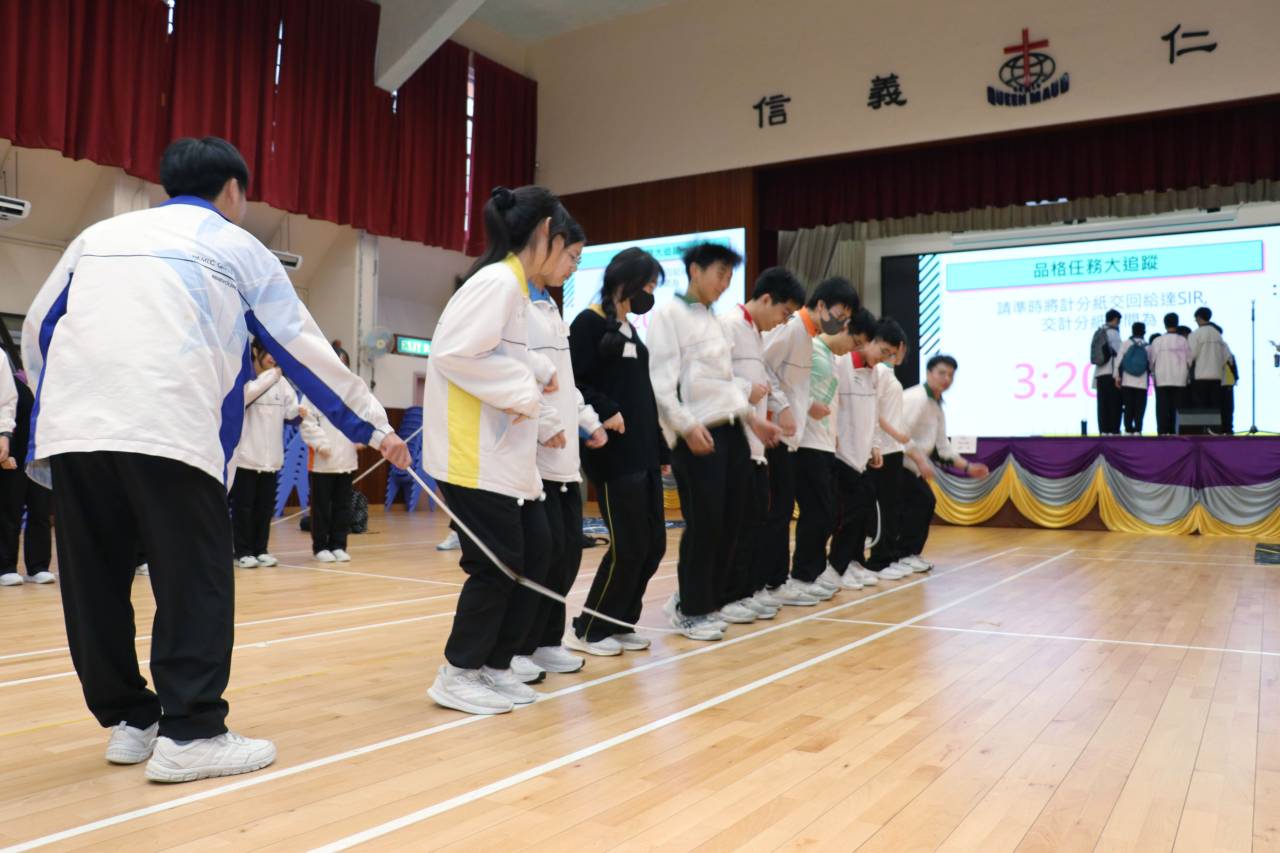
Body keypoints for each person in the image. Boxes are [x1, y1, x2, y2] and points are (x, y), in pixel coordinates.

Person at [21, 136, 408, 782]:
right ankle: (193, 731)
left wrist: (63, 402)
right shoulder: (237, 246)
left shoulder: (97, 236)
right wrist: (374, 425)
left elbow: (38, 330)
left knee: (93, 581)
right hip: (171, 424)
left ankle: (131, 719)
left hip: (76, 429)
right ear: (233, 190)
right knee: (192, 577)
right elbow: (301, 347)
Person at [423, 185, 569, 716]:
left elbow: (500, 351)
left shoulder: (512, 286)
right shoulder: (497, 282)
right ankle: (458, 672)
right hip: (473, 454)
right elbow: (455, 353)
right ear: (546, 232)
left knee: (532, 552)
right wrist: (527, 387)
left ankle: (494, 664)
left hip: (501, 453)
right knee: (496, 566)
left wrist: (537, 370)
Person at [648, 242, 782, 640]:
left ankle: (703, 600)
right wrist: (686, 427)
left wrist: (752, 420)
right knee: (705, 523)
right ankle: (691, 609)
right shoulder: (668, 315)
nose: (725, 284)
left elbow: (724, 383)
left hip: (731, 429)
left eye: (729, 276)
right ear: (695, 270)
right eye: (720, 274)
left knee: (731, 521)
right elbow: (661, 384)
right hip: (697, 433)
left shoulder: (711, 319)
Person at [510, 218, 608, 681]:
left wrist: (588, 420)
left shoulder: (551, 309)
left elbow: (563, 382)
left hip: (567, 460)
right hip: (536, 456)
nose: (573, 267)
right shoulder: (517, 305)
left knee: (567, 554)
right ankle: (518, 646)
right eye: (572, 257)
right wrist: (548, 423)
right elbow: (520, 373)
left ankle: (548, 640)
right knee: (540, 555)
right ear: (548, 245)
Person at [569, 248, 669, 655]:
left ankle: (621, 621)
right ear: (625, 282)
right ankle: (590, 628)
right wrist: (606, 409)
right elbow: (575, 382)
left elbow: (643, 395)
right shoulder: (587, 323)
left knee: (654, 544)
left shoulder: (629, 330)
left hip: (644, 454)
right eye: (648, 285)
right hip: (613, 455)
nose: (650, 294)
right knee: (628, 545)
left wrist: (661, 448)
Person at [760, 276, 860, 605]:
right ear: (820, 305)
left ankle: (780, 581)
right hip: (775, 435)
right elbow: (763, 368)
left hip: (791, 437)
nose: (841, 324)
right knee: (778, 513)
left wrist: (797, 408)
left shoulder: (808, 336)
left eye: (846, 320)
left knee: (784, 511)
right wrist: (784, 408)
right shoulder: (792, 329)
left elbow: (792, 386)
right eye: (840, 316)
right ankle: (772, 582)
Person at [721, 267, 806, 616]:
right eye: (784, 313)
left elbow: (764, 381)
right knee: (736, 526)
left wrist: (778, 406)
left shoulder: (755, 334)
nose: (783, 322)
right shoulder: (729, 325)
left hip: (756, 446)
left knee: (755, 521)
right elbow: (711, 376)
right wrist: (747, 390)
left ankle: (747, 589)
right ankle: (728, 596)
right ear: (767, 299)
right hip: (734, 441)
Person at [789, 313, 863, 596]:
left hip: (825, 444)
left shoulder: (832, 357)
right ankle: (801, 577)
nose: (852, 349)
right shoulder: (811, 348)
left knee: (827, 513)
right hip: (807, 443)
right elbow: (790, 385)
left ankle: (813, 573)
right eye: (854, 342)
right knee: (817, 513)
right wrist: (808, 405)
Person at [898, 355, 990, 572]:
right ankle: (902, 555)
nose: (946, 379)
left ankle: (909, 554)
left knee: (924, 502)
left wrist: (968, 467)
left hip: (913, 466)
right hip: (896, 462)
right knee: (921, 501)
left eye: (950, 375)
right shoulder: (916, 398)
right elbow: (899, 433)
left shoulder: (937, 404)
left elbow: (942, 447)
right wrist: (920, 460)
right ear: (929, 373)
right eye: (941, 373)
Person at [828, 311, 894, 589]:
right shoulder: (841, 363)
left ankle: (854, 561)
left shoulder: (876, 373)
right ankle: (836, 566)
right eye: (883, 350)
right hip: (842, 453)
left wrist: (875, 445)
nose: (884, 358)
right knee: (849, 511)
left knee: (864, 506)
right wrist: (833, 435)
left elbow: (874, 412)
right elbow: (831, 404)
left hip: (862, 455)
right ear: (868, 341)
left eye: (890, 354)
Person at [865, 322, 931, 580]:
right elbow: (874, 411)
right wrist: (893, 435)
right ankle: (880, 560)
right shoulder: (881, 372)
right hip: (883, 449)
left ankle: (889, 556)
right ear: (900, 346)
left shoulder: (888, 374)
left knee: (892, 507)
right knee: (884, 508)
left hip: (893, 449)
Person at [228, 340, 300, 568]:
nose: (272, 357)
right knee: (244, 508)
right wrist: (272, 376)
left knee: (264, 508)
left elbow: (292, 412)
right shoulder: (247, 378)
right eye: (268, 352)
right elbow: (245, 397)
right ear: (256, 351)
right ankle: (242, 551)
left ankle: (261, 549)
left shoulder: (281, 382)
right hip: (247, 459)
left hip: (272, 460)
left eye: (275, 353)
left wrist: (301, 410)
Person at [299, 345, 362, 564]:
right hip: (322, 462)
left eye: (344, 364)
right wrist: (321, 444)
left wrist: (361, 438)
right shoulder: (313, 391)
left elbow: (360, 419)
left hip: (347, 460)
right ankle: (320, 547)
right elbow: (306, 422)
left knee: (343, 506)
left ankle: (338, 545)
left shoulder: (352, 393)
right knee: (321, 508)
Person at [0, 350, 54, 587]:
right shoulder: (16, 384)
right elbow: (6, 417)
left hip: (41, 457)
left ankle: (38, 566)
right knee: (9, 511)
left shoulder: (50, 386)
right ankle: (6, 566)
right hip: (14, 458)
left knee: (40, 512)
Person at [1148, 312, 1191, 435]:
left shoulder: (1157, 341)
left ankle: (1162, 432)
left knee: (1162, 407)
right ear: (1177, 323)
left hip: (1162, 378)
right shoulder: (1183, 340)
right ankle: (1175, 432)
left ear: (1164, 324)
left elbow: (1151, 361)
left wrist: (1153, 372)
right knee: (1177, 408)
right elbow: (1190, 361)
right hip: (1180, 379)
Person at [1188, 307, 1228, 422]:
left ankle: (1203, 429)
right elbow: (1226, 356)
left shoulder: (1195, 334)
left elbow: (1191, 355)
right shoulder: (1217, 334)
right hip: (1217, 376)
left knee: (1201, 406)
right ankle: (1214, 429)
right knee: (1215, 406)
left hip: (1200, 376)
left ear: (1199, 318)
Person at [1090, 309, 1123, 435]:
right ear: (1115, 319)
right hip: (1111, 373)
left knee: (1102, 404)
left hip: (1100, 373)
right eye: (1118, 321)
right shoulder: (1113, 333)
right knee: (1114, 403)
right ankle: (1114, 430)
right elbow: (1120, 353)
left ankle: (1103, 430)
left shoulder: (1100, 331)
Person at [1114, 321, 1150, 435]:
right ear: (1144, 332)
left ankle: (1128, 429)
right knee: (1140, 407)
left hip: (1127, 381)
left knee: (1128, 406)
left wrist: (1117, 377)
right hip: (1142, 382)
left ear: (1132, 331)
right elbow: (1150, 364)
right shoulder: (1147, 346)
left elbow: (1118, 361)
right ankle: (1138, 429)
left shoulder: (1126, 343)